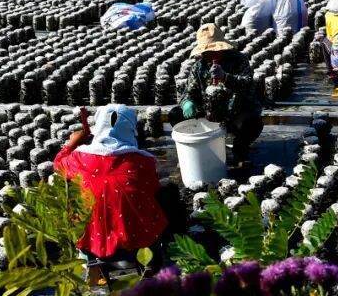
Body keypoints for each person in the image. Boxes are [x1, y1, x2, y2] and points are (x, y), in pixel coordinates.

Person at [54, 105, 167, 260]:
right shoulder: (143, 162)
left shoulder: (78, 158)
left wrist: (72, 143)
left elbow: (58, 164)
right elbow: (154, 188)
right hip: (138, 243)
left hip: (92, 244)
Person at [168, 23, 263, 164]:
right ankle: (201, 146)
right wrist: (187, 102)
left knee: (252, 122)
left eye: (213, 51)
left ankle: (240, 149)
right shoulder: (199, 67)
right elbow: (189, 92)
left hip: (235, 111)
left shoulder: (239, 60)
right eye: (205, 52)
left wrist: (225, 77)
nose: (208, 54)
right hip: (208, 112)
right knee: (175, 114)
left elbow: (247, 83)